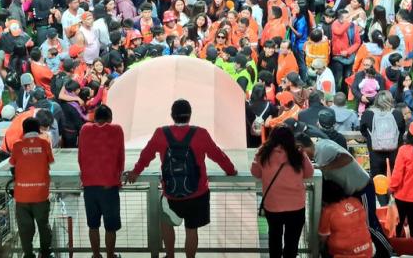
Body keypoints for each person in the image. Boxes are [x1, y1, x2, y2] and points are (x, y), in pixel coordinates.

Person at [125, 99, 237, 258]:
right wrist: (231, 170)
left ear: (172, 115)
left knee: (166, 224)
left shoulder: (160, 133)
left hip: (171, 194)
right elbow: (219, 156)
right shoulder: (201, 133)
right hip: (198, 193)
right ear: (190, 115)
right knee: (192, 230)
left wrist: (135, 172)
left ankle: (170, 256)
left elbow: (146, 155)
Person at [251, 125, 314, 258]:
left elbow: (255, 173)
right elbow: (309, 173)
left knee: (274, 238)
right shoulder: (298, 153)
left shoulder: (263, 152)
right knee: (292, 242)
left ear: (272, 137)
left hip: (273, 206)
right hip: (296, 206)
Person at [78, 104, 124, 258]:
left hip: (89, 186)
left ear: (94, 118)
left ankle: (96, 255)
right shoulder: (116, 129)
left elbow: (81, 156)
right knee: (110, 227)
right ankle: (110, 255)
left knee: (93, 225)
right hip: (109, 186)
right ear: (110, 118)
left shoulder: (85, 129)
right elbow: (120, 157)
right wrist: (118, 177)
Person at [10, 117, 55, 258]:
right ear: (39, 129)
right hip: (41, 194)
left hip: (22, 195)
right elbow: (51, 163)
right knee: (43, 225)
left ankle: (28, 254)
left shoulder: (17, 145)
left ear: (23, 130)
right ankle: (46, 253)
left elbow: (12, 165)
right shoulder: (44, 143)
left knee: (25, 228)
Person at [318, 180, 374, 258]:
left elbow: (323, 238)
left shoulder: (328, 211)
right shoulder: (355, 201)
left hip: (343, 253)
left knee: (322, 249)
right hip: (367, 250)